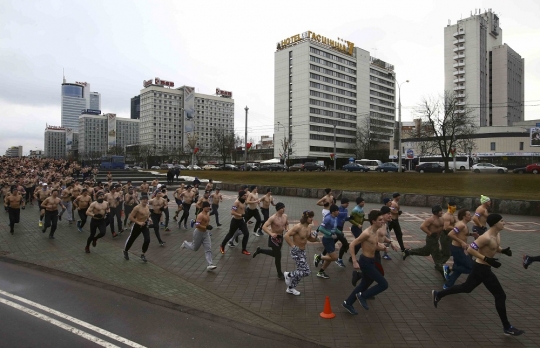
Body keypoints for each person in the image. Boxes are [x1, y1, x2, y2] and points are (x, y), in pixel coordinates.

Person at [432, 214, 524, 336]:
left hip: (482, 268)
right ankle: (507, 327)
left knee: (467, 288)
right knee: (500, 295)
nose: (504, 223)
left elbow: (494, 247)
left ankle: (439, 294)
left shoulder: (496, 234)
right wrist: (486, 258)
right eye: (502, 221)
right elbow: (470, 249)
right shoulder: (485, 237)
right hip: (482, 268)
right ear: (495, 223)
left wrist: (502, 251)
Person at [342, 210, 391, 314]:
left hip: (372, 260)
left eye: (382, 219)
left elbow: (374, 245)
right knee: (383, 284)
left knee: (363, 285)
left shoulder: (376, 231)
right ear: (373, 221)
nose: (382, 222)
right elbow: (352, 245)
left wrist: (384, 248)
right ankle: (363, 296)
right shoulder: (366, 233)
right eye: (380, 220)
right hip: (365, 262)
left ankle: (348, 302)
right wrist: (354, 261)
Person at [403, 205, 447, 276]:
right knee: (437, 256)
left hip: (436, 239)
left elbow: (442, 227)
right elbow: (422, 226)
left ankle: (408, 252)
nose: (442, 212)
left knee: (426, 252)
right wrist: (430, 233)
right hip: (431, 239)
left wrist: (444, 231)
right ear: (436, 212)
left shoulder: (441, 219)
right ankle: (443, 272)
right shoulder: (431, 219)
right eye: (440, 211)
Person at [283, 210, 319, 295]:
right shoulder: (298, 227)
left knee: (300, 271)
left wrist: (316, 239)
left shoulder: (309, 227)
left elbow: (309, 238)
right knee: (306, 272)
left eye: (312, 217)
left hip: (302, 251)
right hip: (296, 251)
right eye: (310, 217)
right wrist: (293, 246)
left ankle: (290, 288)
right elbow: (286, 235)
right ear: (305, 218)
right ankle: (288, 275)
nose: (311, 219)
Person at [253, 202, 288, 279]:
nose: (284, 209)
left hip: (280, 237)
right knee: (278, 255)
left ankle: (260, 250)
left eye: (284, 207)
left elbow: (286, 224)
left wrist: (287, 229)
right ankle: (279, 274)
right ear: (278, 209)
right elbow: (264, 227)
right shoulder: (273, 218)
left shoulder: (285, 216)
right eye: (282, 208)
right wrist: (271, 233)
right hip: (273, 238)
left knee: (276, 254)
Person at [181, 201, 216, 271]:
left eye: (209, 206)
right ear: (204, 207)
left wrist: (208, 227)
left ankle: (210, 264)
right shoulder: (200, 215)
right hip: (198, 233)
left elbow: (206, 222)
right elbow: (197, 225)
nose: (209, 208)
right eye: (207, 207)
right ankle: (185, 244)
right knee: (195, 248)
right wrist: (206, 227)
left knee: (208, 248)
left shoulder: (208, 213)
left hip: (205, 233)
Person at [443, 208, 473, 288]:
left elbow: (462, 234)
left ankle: (447, 285)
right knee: (470, 267)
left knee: (460, 267)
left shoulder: (463, 224)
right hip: (457, 249)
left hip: (459, 248)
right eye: (469, 215)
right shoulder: (461, 225)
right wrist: (462, 242)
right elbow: (450, 234)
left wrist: (471, 234)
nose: (471, 216)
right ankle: (450, 269)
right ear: (464, 216)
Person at [313, 205, 343, 279]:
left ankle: (321, 272)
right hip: (327, 240)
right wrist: (330, 234)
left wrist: (340, 232)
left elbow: (334, 228)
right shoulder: (328, 218)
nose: (339, 212)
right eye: (337, 210)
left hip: (331, 240)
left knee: (329, 258)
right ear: (333, 212)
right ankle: (319, 257)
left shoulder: (335, 218)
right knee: (335, 257)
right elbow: (321, 228)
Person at [220, 190, 251, 255]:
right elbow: (232, 212)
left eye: (246, 195)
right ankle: (222, 245)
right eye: (244, 195)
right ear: (240, 196)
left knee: (246, 234)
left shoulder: (244, 201)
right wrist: (241, 215)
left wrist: (245, 214)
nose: (246, 196)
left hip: (241, 221)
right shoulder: (236, 202)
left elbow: (243, 209)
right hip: (235, 221)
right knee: (230, 234)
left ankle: (244, 249)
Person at [123, 195, 152, 262]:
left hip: (144, 225)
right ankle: (125, 251)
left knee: (147, 239)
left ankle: (143, 254)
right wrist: (138, 222)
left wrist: (149, 219)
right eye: (143, 199)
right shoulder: (137, 208)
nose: (145, 200)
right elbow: (130, 217)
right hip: (137, 225)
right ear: (141, 200)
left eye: (146, 199)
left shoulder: (147, 206)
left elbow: (147, 214)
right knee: (132, 239)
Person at [348, 197, 365, 261]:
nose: (363, 203)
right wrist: (357, 224)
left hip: (359, 228)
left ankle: (352, 257)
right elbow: (350, 219)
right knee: (358, 243)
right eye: (362, 202)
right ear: (358, 203)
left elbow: (362, 218)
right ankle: (352, 257)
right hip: (355, 228)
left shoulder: (361, 208)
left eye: (364, 202)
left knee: (360, 243)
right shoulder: (355, 210)